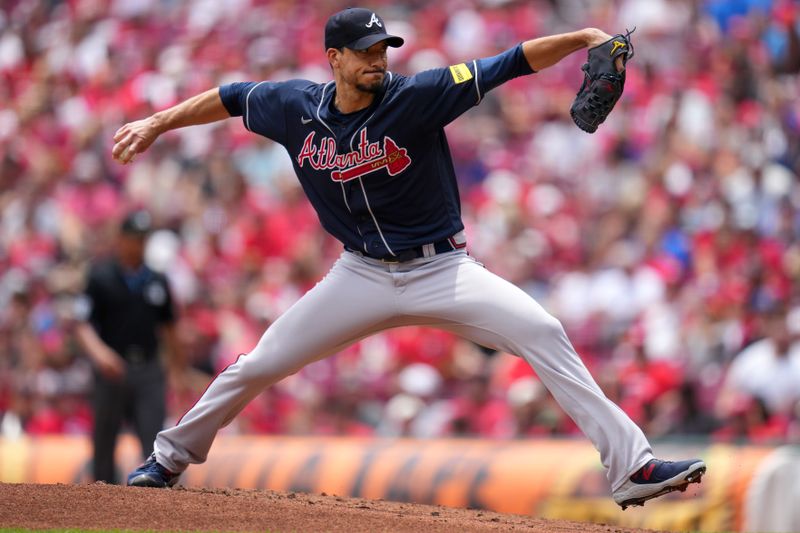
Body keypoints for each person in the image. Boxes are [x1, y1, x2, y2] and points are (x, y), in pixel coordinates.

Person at [119, 8, 706, 509]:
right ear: (334, 58)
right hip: (360, 273)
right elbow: (228, 97)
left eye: (383, 48)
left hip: (442, 270)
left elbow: (513, 60)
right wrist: (157, 122)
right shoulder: (293, 106)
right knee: (260, 363)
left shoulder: (418, 95)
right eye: (366, 51)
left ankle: (631, 468)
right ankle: (168, 458)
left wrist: (582, 38)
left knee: (543, 330)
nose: (379, 58)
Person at [75, 210, 183, 483]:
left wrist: (176, 371)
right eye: (135, 238)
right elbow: (82, 323)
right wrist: (100, 354)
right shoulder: (100, 276)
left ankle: (153, 507)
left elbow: (170, 330)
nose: (140, 244)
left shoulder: (157, 280)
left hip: (148, 370)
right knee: (104, 442)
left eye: (144, 239)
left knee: (153, 441)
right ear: (122, 239)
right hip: (112, 370)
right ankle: (101, 506)